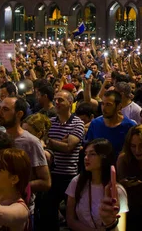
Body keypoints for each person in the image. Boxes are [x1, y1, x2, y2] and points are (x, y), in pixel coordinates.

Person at [42, 90, 85, 230]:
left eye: (61, 100)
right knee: (48, 213)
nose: (57, 102)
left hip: (68, 176)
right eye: (56, 99)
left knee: (72, 214)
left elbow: (68, 147)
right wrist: (58, 143)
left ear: (70, 103)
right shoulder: (50, 122)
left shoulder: (77, 123)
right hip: (51, 174)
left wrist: (49, 142)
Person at [66, 138, 128, 231]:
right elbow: (70, 220)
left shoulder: (116, 189)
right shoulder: (77, 182)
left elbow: (122, 227)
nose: (86, 158)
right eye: (85, 154)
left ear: (104, 158)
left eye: (92, 154)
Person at [0, 97, 51, 194]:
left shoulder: (31, 142)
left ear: (19, 114)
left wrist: (15, 187)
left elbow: (45, 182)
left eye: (5, 109)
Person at [86, 91, 136, 158]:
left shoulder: (129, 126)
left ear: (119, 106)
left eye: (108, 105)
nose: (104, 108)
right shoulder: (95, 124)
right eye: (103, 104)